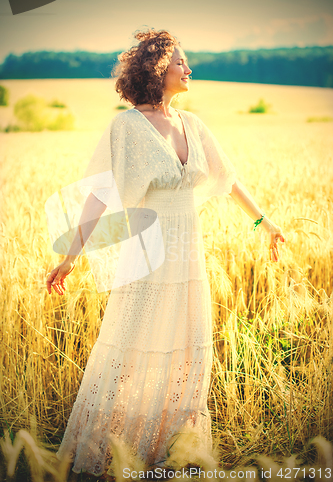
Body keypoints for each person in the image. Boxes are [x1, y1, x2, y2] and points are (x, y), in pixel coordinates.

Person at [47, 29, 285, 478]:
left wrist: (264, 222)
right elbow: (101, 193)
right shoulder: (127, 127)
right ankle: (111, 451)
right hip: (148, 257)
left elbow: (228, 179)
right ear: (158, 69)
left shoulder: (193, 124)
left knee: (187, 353)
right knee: (132, 348)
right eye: (181, 63)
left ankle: (172, 452)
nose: (188, 69)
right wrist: (70, 256)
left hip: (189, 259)